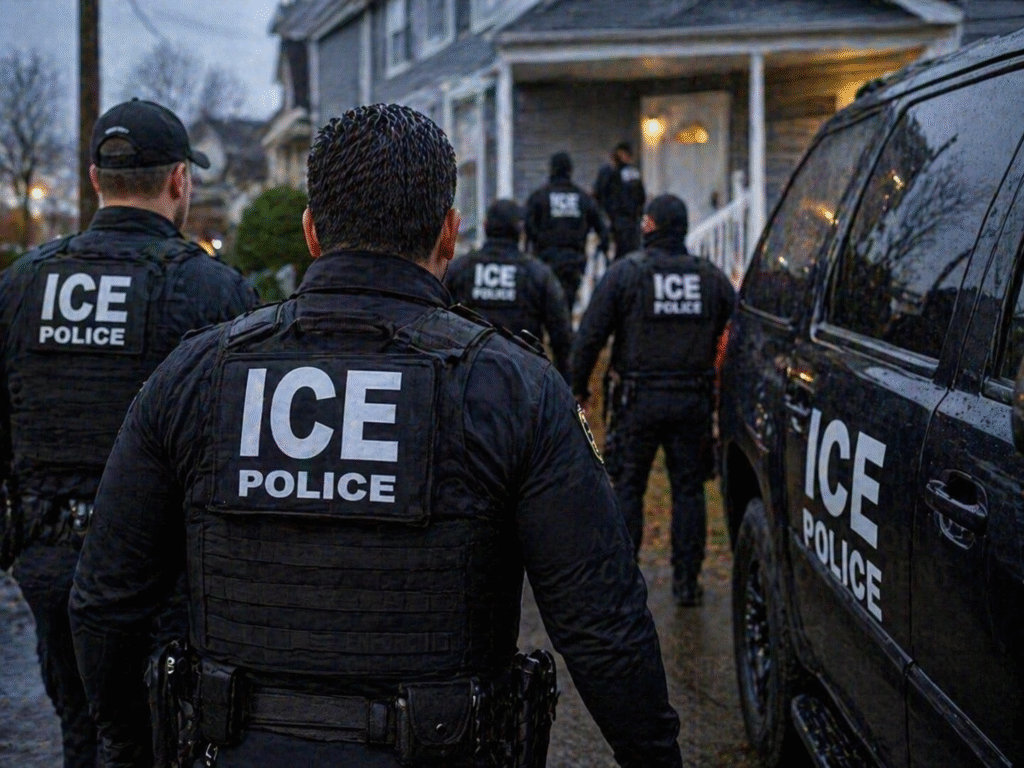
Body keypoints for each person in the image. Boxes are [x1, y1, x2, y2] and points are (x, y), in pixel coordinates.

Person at [69, 104, 682, 767]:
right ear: (449, 235)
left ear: (310, 232)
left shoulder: (193, 375)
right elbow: (602, 625)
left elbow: (106, 598)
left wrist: (128, 745)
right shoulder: (515, 389)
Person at [0, 98, 258, 768]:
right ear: (179, 181)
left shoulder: (21, 286)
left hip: (51, 556)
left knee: (84, 731)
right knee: (168, 738)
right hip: (165, 573)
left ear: (94, 179)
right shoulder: (214, 291)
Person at [570, 194, 734, 607]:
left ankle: (623, 584)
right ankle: (686, 583)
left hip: (637, 400)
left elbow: (590, 334)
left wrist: (577, 386)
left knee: (627, 488)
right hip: (692, 401)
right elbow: (737, 336)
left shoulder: (627, 274)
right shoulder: (711, 278)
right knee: (689, 491)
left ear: (649, 226)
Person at [445, 199, 573, 381]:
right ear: (520, 231)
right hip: (524, 383)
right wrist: (565, 386)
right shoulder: (538, 274)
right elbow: (562, 337)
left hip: (467, 382)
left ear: (485, 226)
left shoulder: (459, 270)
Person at [524, 152, 608, 313]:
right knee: (565, 308)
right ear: (570, 170)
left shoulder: (539, 196)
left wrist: (537, 245)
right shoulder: (582, 197)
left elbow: (528, 227)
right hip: (573, 262)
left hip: (545, 260)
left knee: (543, 306)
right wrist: (599, 252)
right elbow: (602, 229)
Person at [594, 141, 646, 258]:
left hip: (618, 222)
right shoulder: (634, 173)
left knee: (619, 255)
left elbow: (600, 194)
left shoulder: (610, 173)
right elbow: (641, 197)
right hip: (632, 223)